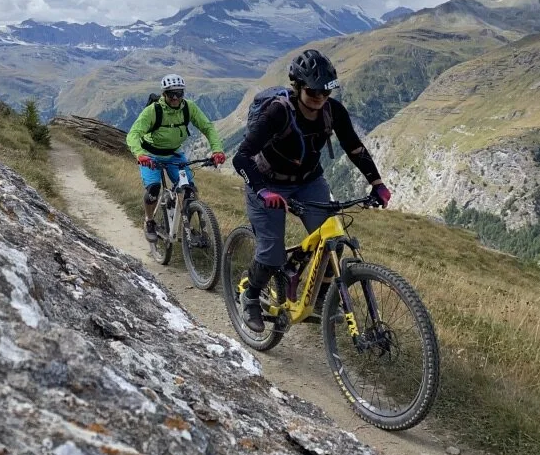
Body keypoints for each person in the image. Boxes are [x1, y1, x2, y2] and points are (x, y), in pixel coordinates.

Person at [232, 49, 392, 332]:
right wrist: (261, 192)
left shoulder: (333, 111)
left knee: (335, 239)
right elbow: (241, 157)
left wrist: (376, 182)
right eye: (312, 91)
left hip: (309, 181)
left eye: (325, 92)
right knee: (270, 253)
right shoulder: (278, 112)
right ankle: (251, 295)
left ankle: (319, 301)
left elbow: (354, 148)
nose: (319, 98)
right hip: (268, 182)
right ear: (298, 87)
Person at [126, 74, 227, 243]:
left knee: (189, 190)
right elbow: (133, 134)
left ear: (183, 93)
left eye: (178, 93)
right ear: (164, 94)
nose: (175, 98)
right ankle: (149, 221)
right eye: (170, 94)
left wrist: (217, 150)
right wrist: (140, 154)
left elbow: (207, 127)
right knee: (153, 189)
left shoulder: (189, 107)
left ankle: (187, 226)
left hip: (174, 153)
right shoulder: (153, 110)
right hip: (150, 154)